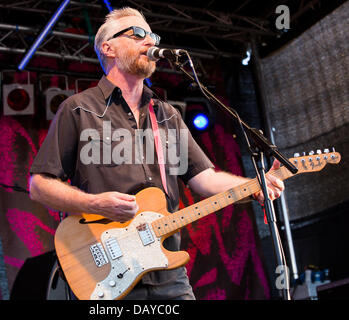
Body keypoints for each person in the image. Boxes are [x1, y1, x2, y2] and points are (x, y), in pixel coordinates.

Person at [29, 7, 284, 300]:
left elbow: (204, 179)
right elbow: (39, 185)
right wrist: (95, 203)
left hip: (167, 272)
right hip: (105, 272)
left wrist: (256, 184)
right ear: (108, 48)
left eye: (153, 35)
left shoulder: (166, 114)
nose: (150, 41)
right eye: (137, 34)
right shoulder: (78, 109)